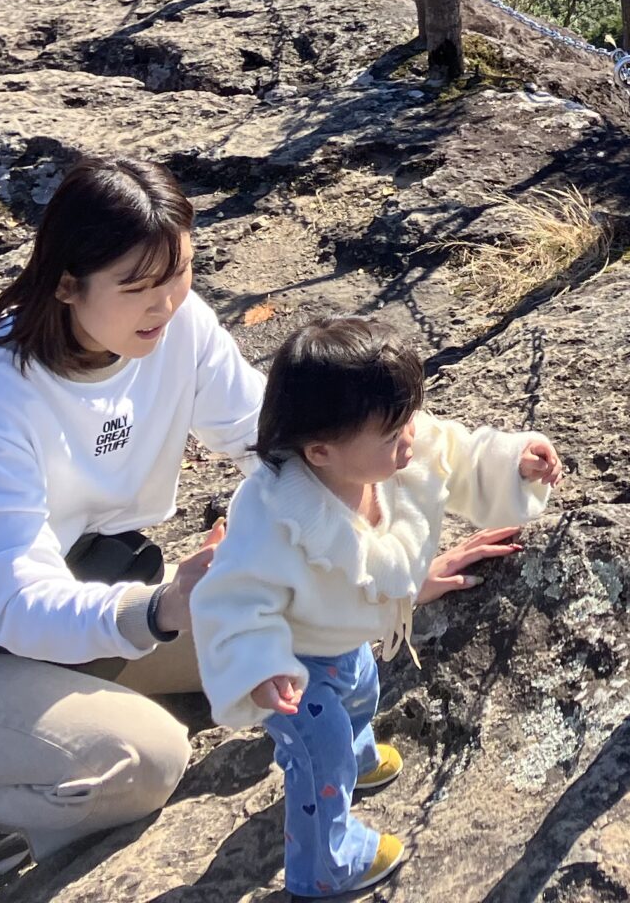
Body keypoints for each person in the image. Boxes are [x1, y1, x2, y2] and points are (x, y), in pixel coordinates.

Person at [0, 155, 265, 883]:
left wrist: (386, 548)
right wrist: (162, 609)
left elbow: (273, 435)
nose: (167, 305)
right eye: (139, 287)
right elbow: (16, 599)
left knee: (281, 631)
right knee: (142, 763)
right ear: (68, 284)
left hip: (72, 624)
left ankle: (67, 712)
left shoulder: (179, 329)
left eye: (181, 275)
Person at [195, 316, 562, 898]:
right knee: (320, 753)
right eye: (391, 434)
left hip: (344, 640)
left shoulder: (399, 450)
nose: (410, 439)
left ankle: (356, 757)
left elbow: (460, 456)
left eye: (408, 418)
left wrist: (515, 461)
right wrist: (258, 667)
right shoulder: (270, 514)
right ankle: (325, 864)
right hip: (291, 663)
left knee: (361, 692)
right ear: (319, 451)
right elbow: (234, 598)